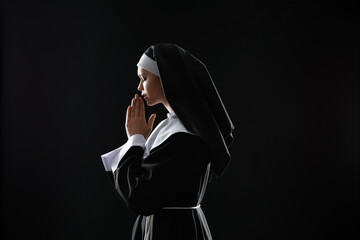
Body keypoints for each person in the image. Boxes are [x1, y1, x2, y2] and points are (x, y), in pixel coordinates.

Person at [101, 43, 234, 240]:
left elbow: (139, 197)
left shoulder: (186, 135)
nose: (139, 87)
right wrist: (140, 141)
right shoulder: (173, 127)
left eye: (144, 78)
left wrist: (136, 139)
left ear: (166, 77)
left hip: (173, 230)